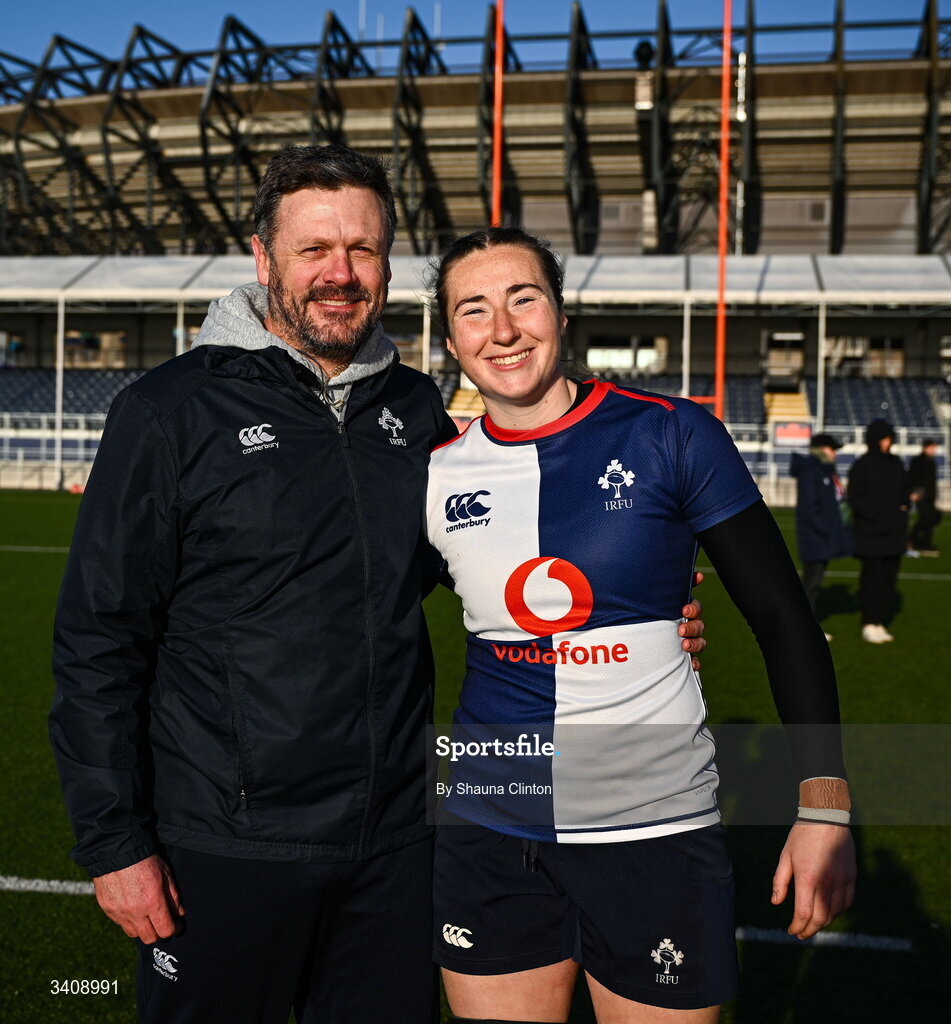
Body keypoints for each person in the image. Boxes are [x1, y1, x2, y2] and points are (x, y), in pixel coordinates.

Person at [49, 147, 708, 1024]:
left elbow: (485, 563)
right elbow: (98, 637)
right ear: (263, 260)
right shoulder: (171, 411)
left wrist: (634, 612)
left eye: (362, 249)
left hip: (394, 845)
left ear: (387, 263)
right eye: (314, 249)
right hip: (226, 843)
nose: (339, 272)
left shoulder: (412, 410)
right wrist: (114, 843)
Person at [425, 228, 855, 1024]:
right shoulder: (434, 469)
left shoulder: (670, 432)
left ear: (559, 311)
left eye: (524, 298)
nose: (504, 329)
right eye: (473, 310)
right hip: (487, 828)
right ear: (450, 339)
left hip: (651, 831)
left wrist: (822, 803)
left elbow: (780, 614)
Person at [847, 419, 910, 644]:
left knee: (888, 581)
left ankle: (879, 622)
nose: (887, 443)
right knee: (871, 581)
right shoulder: (862, 465)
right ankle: (868, 623)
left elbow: (905, 491)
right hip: (871, 534)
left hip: (893, 534)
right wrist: (876, 514)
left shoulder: (896, 463)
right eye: (883, 438)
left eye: (889, 438)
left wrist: (903, 509)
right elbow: (854, 497)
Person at [790, 432, 851, 639]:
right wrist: (825, 529)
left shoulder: (823, 470)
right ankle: (806, 629)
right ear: (823, 449)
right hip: (815, 537)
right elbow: (810, 507)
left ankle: (806, 626)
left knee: (813, 582)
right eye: (832, 449)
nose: (835, 454)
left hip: (820, 536)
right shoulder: (812, 470)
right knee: (811, 583)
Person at [907, 438, 941, 556]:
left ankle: (926, 543)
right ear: (926, 448)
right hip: (920, 495)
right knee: (925, 518)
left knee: (932, 519)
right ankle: (911, 538)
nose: (934, 450)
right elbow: (911, 477)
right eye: (932, 447)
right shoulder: (917, 461)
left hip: (931, 495)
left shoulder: (931, 462)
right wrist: (912, 492)